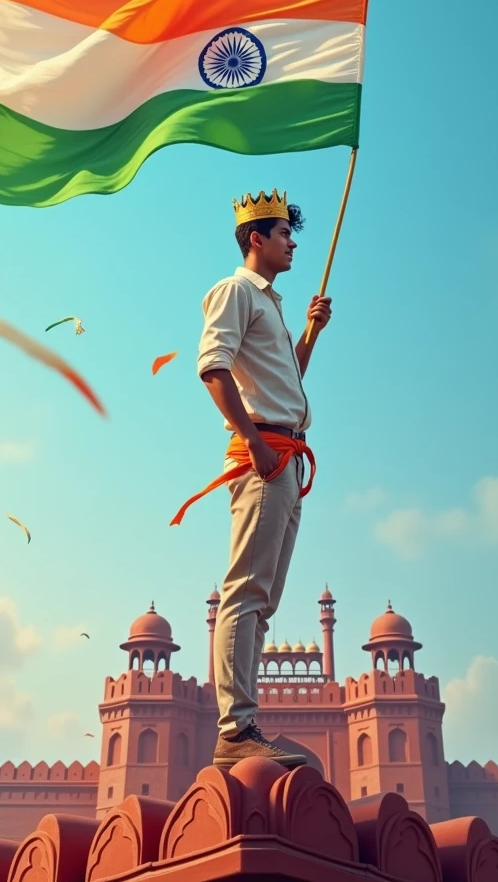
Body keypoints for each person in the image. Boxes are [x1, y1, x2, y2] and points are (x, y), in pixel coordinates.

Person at [196, 188, 332, 767]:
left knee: (263, 598)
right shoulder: (234, 292)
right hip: (267, 455)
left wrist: (310, 334)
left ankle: (244, 723)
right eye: (283, 233)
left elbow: (282, 380)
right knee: (246, 591)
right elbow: (213, 367)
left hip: (287, 454)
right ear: (257, 239)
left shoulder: (270, 304)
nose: (293, 241)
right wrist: (254, 445)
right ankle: (236, 729)